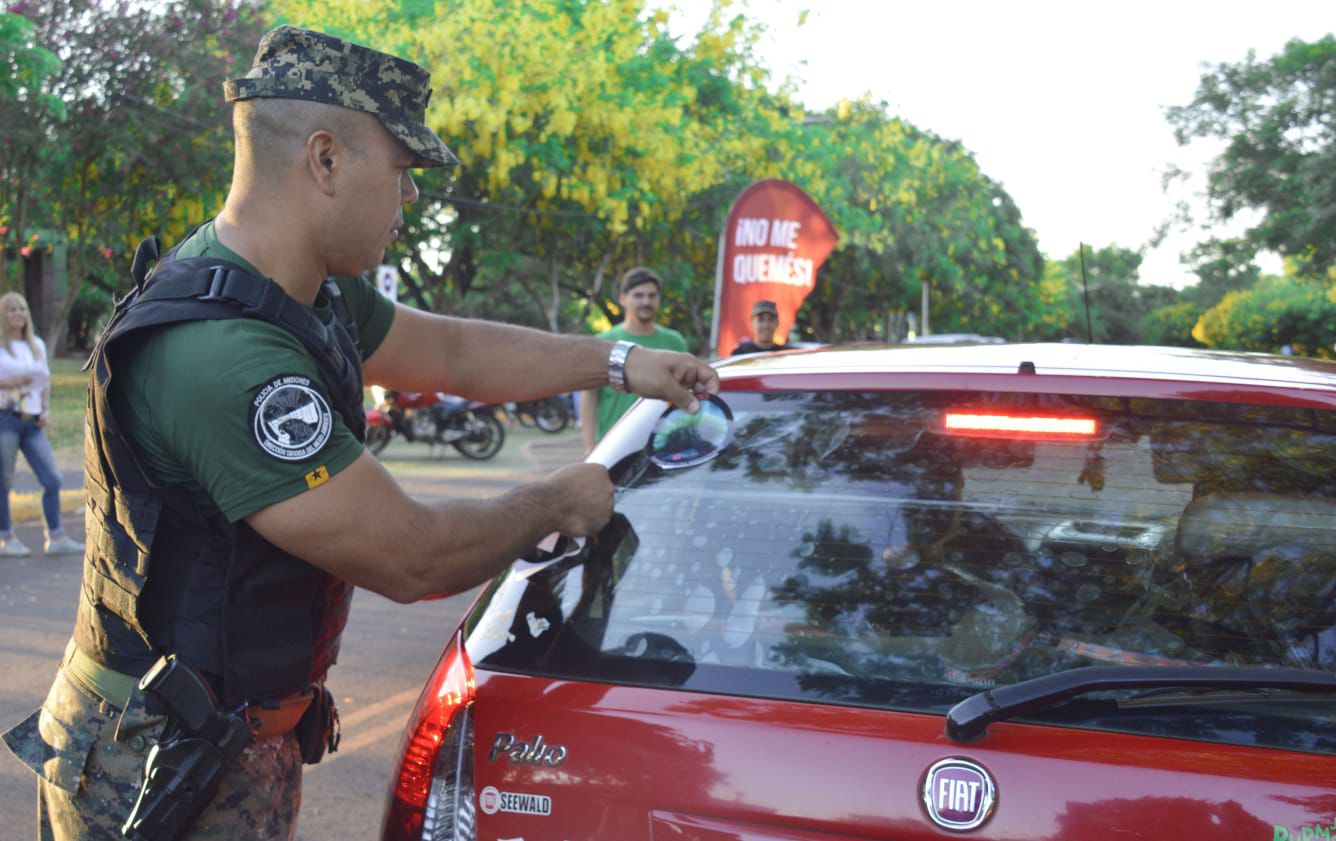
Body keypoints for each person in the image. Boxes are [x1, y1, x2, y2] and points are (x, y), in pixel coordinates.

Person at [1, 25, 717, 840]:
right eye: (404, 171)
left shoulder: (303, 291)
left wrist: (620, 362)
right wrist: (557, 498)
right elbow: (411, 554)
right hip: (158, 767)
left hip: (225, 742)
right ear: (326, 160)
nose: (411, 200)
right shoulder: (222, 354)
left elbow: (451, 349)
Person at [0, 292, 82, 558]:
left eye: (22, 309)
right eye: (11, 309)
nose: (18, 314)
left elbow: (44, 380)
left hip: (32, 419)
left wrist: (45, 409)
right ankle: (5, 537)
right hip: (6, 419)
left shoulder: (36, 344)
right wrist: (11, 382)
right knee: (4, 481)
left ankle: (56, 537)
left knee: (52, 478)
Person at [580, 267, 688, 451]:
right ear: (623, 298)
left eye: (652, 296)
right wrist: (590, 446)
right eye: (638, 295)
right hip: (613, 444)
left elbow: (686, 393)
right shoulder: (604, 343)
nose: (646, 301)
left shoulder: (675, 342)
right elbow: (590, 397)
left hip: (664, 443)